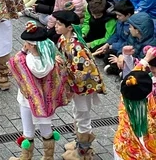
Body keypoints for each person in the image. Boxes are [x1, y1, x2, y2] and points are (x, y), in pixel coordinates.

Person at [7, 23, 72, 160]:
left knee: (28, 130)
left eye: (26, 43)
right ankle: (48, 157)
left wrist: (23, 51)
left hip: (27, 99)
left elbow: (15, 61)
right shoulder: (50, 56)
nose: (24, 45)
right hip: (46, 100)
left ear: (31, 46)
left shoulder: (27, 60)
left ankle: (25, 157)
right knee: (46, 128)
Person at [51, 9, 105, 159]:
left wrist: (64, 68)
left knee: (82, 115)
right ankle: (80, 142)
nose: (56, 26)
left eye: (59, 24)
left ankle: (83, 151)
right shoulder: (63, 39)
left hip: (82, 86)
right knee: (77, 113)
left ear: (69, 27)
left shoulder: (76, 47)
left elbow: (82, 72)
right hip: (75, 84)